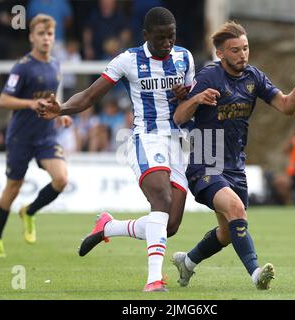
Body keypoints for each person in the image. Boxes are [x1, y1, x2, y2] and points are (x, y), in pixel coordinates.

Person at [37, 7, 195, 292]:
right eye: (160, 38)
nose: (167, 43)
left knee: (169, 226)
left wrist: (188, 96)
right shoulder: (128, 60)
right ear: (145, 36)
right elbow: (89, 95)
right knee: (160, 197)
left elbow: (190, 101)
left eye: (171, 37)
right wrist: (61, 108)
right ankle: (154, 280)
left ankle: (108, 227)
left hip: (177, 143)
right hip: (146, 138)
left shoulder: (185, 57)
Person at [171, 21, 295, 290]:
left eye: (246, 48)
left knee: (227, 233)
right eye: (235, 50)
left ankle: (187, 262)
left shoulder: (254, 77)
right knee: (237, 210)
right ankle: (256, 274)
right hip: (206, 160)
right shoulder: (208, 76)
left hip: (235, 165)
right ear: (221, 54)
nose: (243, 55)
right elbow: (179, 116)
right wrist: (197, 98)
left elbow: (286, 107)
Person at [0, 14, 73, 258]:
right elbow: (3, 100)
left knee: (61, 179)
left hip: (45, 136)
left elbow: (50, 99)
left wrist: (60, 113)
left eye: (50, 34)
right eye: (41, 34)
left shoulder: (55, 65)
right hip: (20, 137)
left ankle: (30, 211)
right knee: (14, 186)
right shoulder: (22, 67)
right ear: (31, 37)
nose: (46, 38)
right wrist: (30, 103)